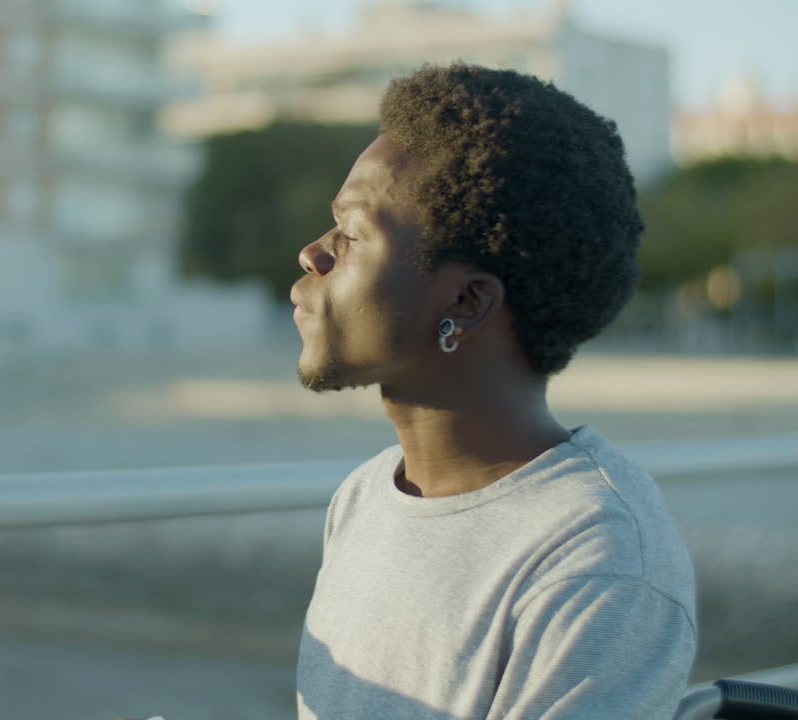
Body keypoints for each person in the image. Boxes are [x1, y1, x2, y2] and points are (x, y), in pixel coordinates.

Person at [291, 63, 696, 719]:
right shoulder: (366, 496)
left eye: (354, 232)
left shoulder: (598, 560)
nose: (314, 253)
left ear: (468, 301)